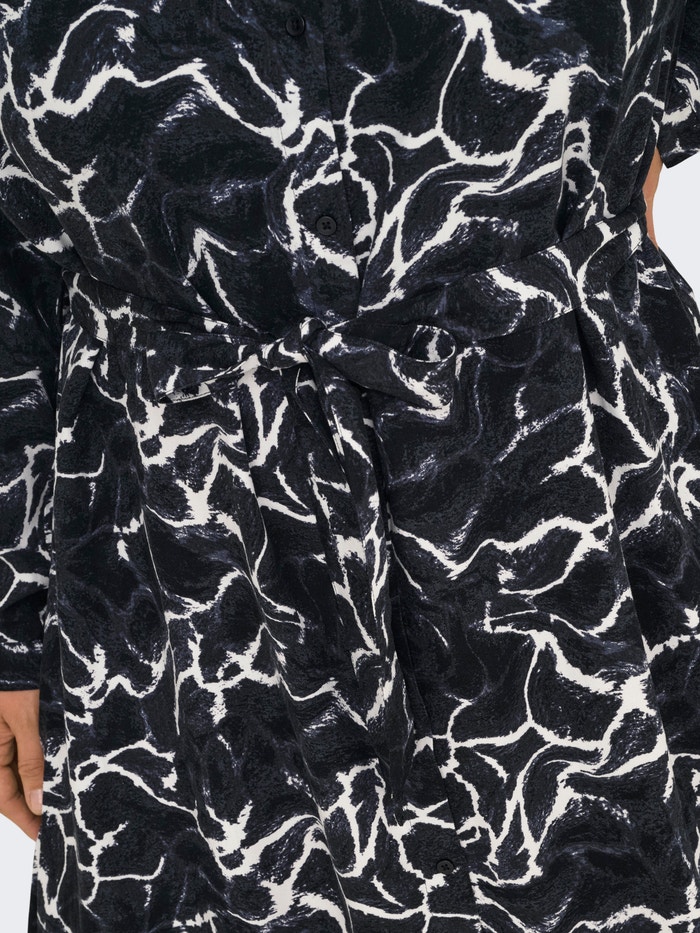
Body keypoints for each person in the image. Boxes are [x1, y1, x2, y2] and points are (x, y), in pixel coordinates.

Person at [0, 1, 698, 930]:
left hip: (565, 542)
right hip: (182, 587)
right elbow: (14, 276)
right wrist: (10, 625)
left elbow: (638, 167)